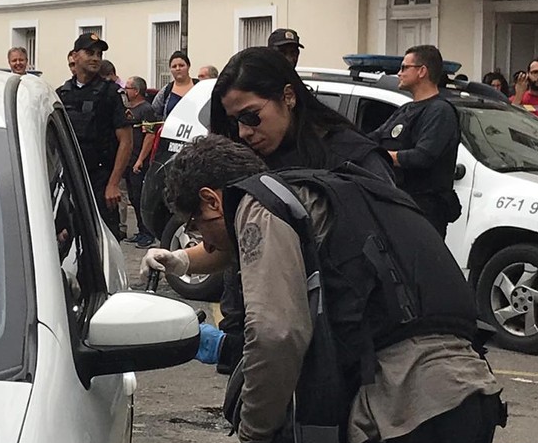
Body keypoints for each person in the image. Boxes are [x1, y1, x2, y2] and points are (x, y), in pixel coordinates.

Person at [161, 133, 504, 443]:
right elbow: (239, 252)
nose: (202, 241)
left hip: (404, 416)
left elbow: (278, 335)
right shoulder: (313, 191)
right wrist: (184, 262)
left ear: (212, 199)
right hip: (464, 398)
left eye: (195, 226)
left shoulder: (257, 206)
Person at [144, 47, 392, 377]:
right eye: (234, 123)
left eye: (250, 116)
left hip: (332, 338)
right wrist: (183, 260)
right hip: (256, 330)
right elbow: (247, 240)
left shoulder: (352, 161)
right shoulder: (256, 157)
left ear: (288, 96)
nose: (245, 132)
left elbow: (378, 258)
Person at [366, 45, 462, 238]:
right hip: (397, 204)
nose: (399, 73)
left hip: (424, 210)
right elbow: (372, 140)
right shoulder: (405, 109)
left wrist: (382, 156)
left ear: (422, 71)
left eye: (404, 67)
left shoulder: (439, 111)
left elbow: (423, 156)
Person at [56, 33, 132, 240]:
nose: (95, 58)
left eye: (99, 54)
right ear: (74, 56)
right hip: (69, 179)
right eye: (89, 52)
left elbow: (126, 141)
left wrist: (114, 183)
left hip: (101, 180)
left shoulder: (112, 94)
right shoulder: (62, 94)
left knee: (104, 242)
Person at [122, 76, 156, 248]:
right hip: (128, 160)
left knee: (140, 196)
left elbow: (150, 135)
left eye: (127, 88)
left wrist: (141, 159)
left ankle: (148, 233)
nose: (125, 91)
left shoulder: (146, 110)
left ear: (136, 91)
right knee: (133, 197)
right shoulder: (128, 109)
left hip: (138, 161)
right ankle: (141, 230)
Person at [152, 51, 196, 117]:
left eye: (181, 65)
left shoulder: (199, 86)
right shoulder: (166, 91)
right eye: (174, 66)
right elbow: (154, 112)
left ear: (188, 66)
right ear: (170, 69)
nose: (178, 68)